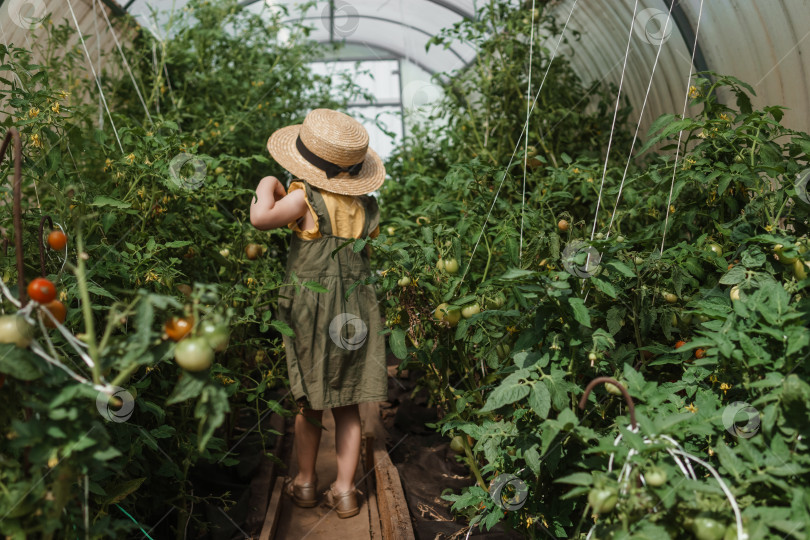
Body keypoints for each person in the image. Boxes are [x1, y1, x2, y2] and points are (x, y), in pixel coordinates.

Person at [249, 108, 388, 519]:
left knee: (308, 398)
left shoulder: (302, 198)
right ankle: (345, 491)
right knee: (348, 401)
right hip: (357, 307)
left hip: (312, 305)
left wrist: (266, 182)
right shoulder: (366, 207)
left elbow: (260, 218)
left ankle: (306, 482)